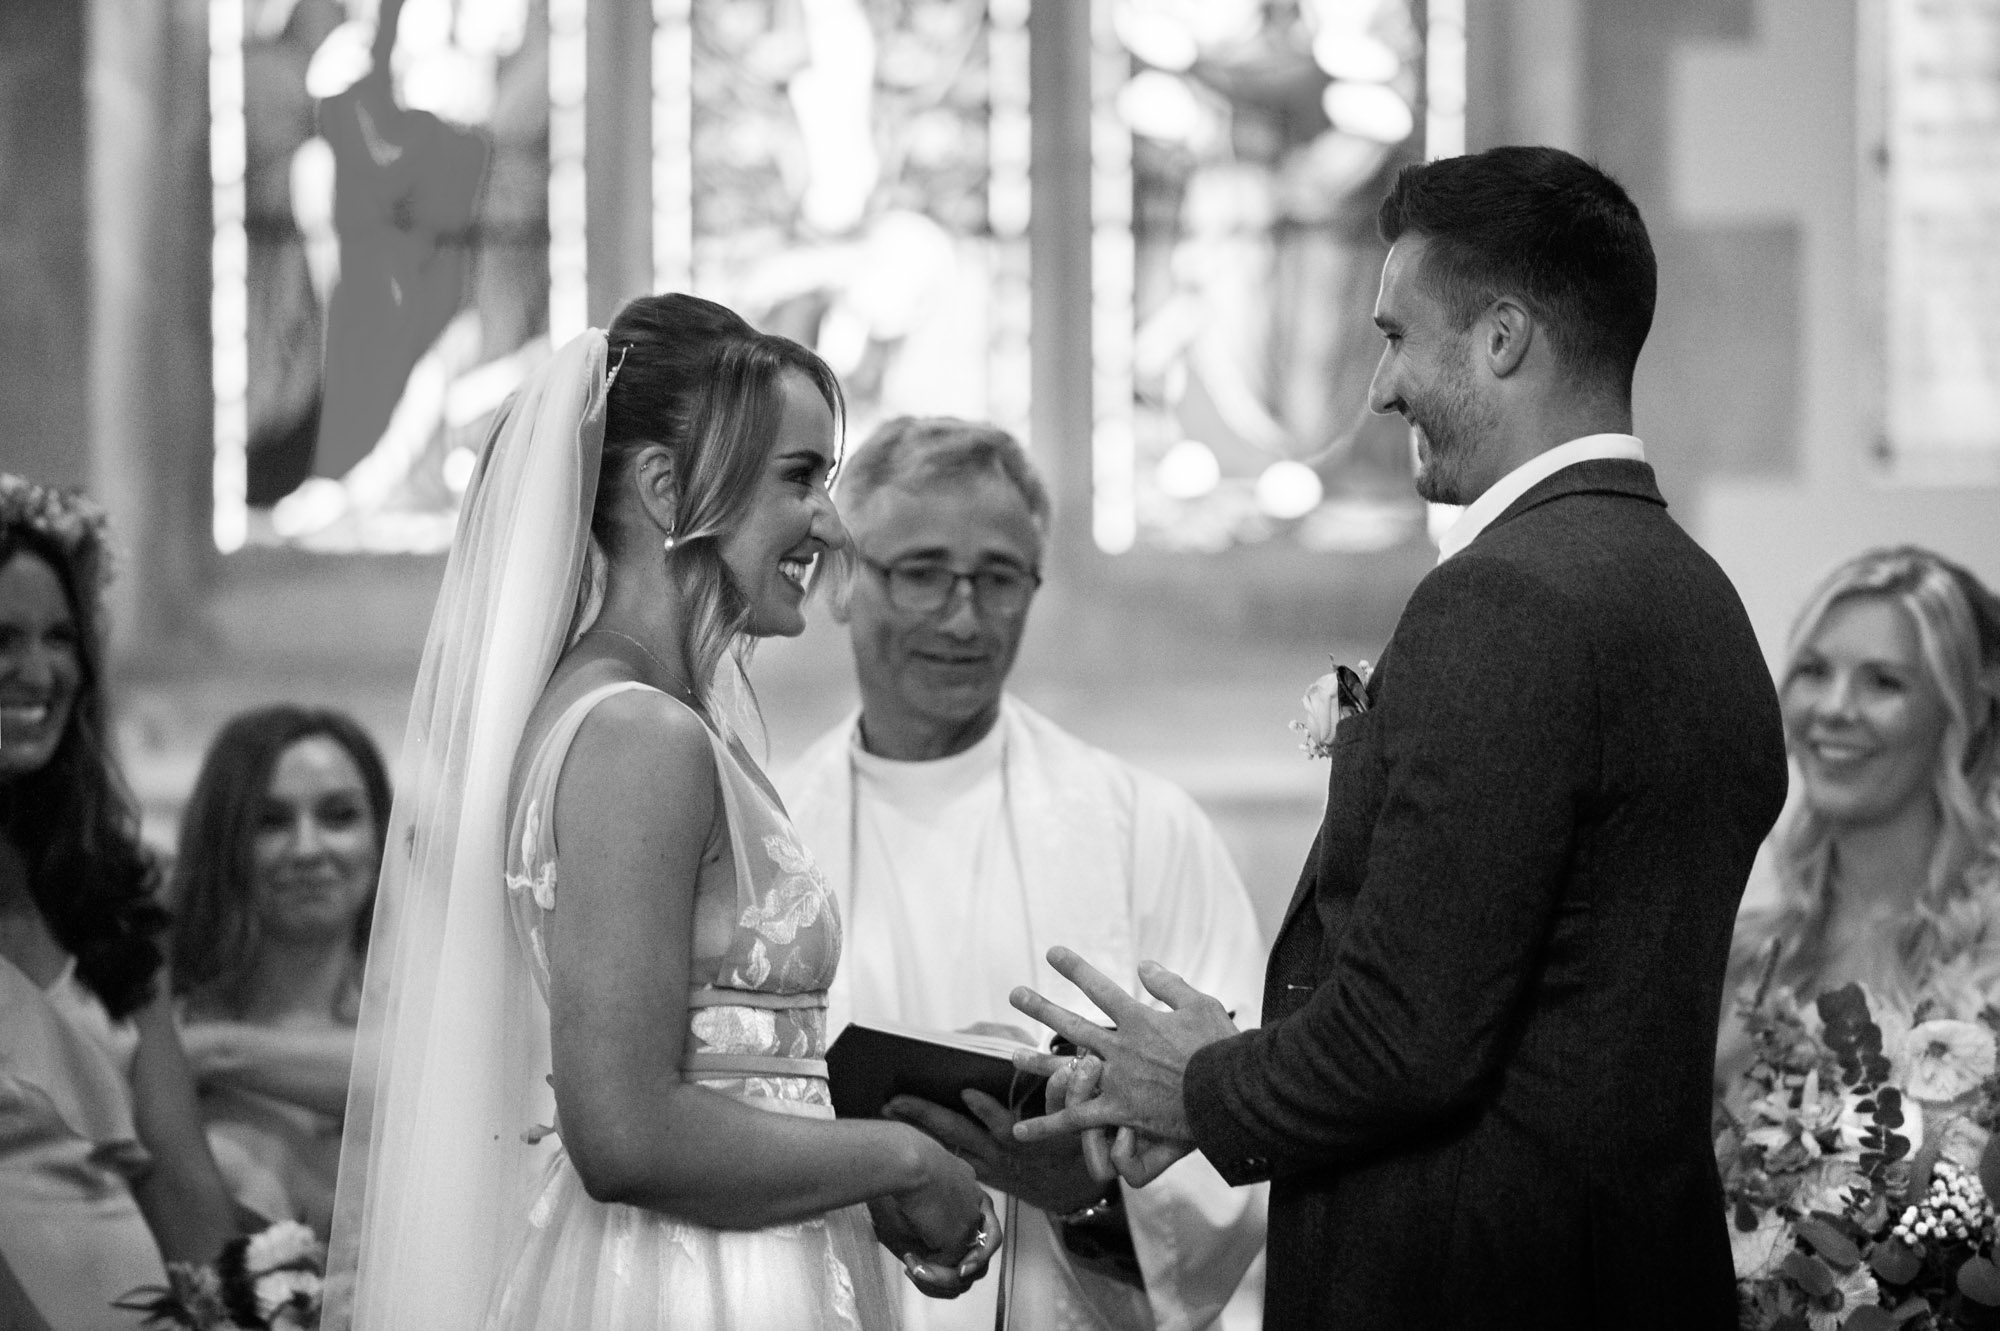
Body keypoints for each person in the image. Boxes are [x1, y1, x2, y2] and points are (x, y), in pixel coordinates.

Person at [1004, 145, 1793, 1329]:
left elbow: (1412, 1035)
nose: (1377, 387)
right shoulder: (1697, 598)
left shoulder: (1508, 598)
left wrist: (1198, 1084)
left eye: (1394, 336)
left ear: (1501, 337)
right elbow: (1521, 983)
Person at [326, 294, 999, 1331]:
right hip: (691, 1286)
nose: (829, 520)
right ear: (664, 485)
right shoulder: (642, 735)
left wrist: (862, 1171)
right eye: (798, 476)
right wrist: (905, 1159)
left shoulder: (663, 718)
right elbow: (626, 1130)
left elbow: (727, 1080)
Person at [781, 417, 1269, 1331]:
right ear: (843, 579)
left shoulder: (1143, 831)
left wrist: (1088, 1197)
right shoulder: (765, 828)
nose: (963, 618)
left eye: (998, 578)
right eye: (922, 572)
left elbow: (1240, 1131)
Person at [0, 474, 239, 1327]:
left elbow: (181, 1178)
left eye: (60, 637)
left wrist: (251, 1307)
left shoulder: (101, 885)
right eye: (5, 637)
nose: (38, 670)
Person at [1728, 547, 2000, 1015]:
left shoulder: (1988, 956)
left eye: (1883, 682)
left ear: (1966, 710)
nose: (1834, 709)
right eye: (1814, 671)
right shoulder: (1740, 958)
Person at [170, 704, 393, 1238]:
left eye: (338, 815)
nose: (308, 848)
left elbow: (428, 1079)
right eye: (270, 822)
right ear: (222, 843)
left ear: (381, 835)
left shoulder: (424, 1026)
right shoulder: (159, 1020)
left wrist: (206, 1051)